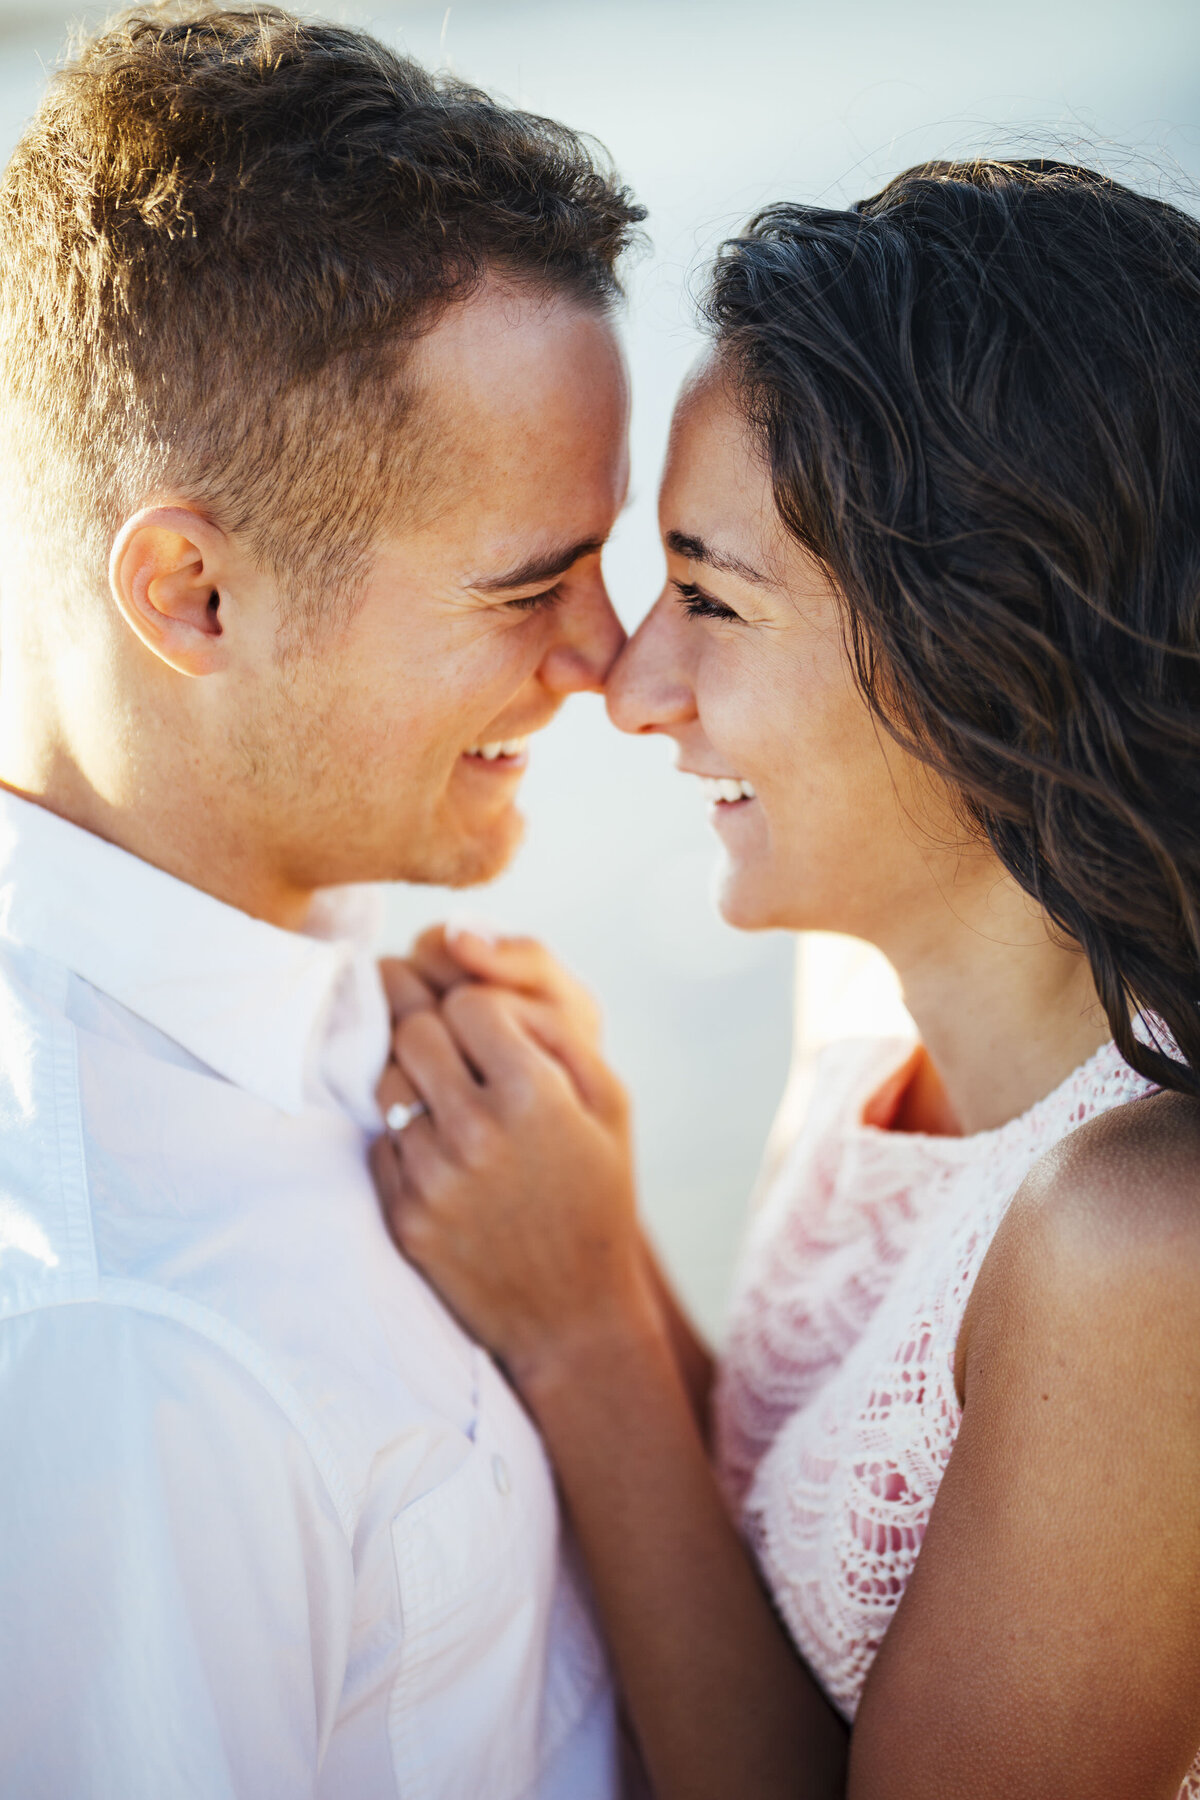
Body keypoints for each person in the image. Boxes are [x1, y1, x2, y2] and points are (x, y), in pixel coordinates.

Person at [373, 159, 1200, 1800]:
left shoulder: (1146, 1248)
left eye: (709, 596)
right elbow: (769, 1523)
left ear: (979, 644)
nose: (630, 683)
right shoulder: (862, 1001)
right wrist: (588, 1211)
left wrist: (584, 1329)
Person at [0, 6, 645, 1794]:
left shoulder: (342, 932)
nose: (610, 658)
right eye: (535, 584)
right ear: (194, 595)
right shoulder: (123, 1348)